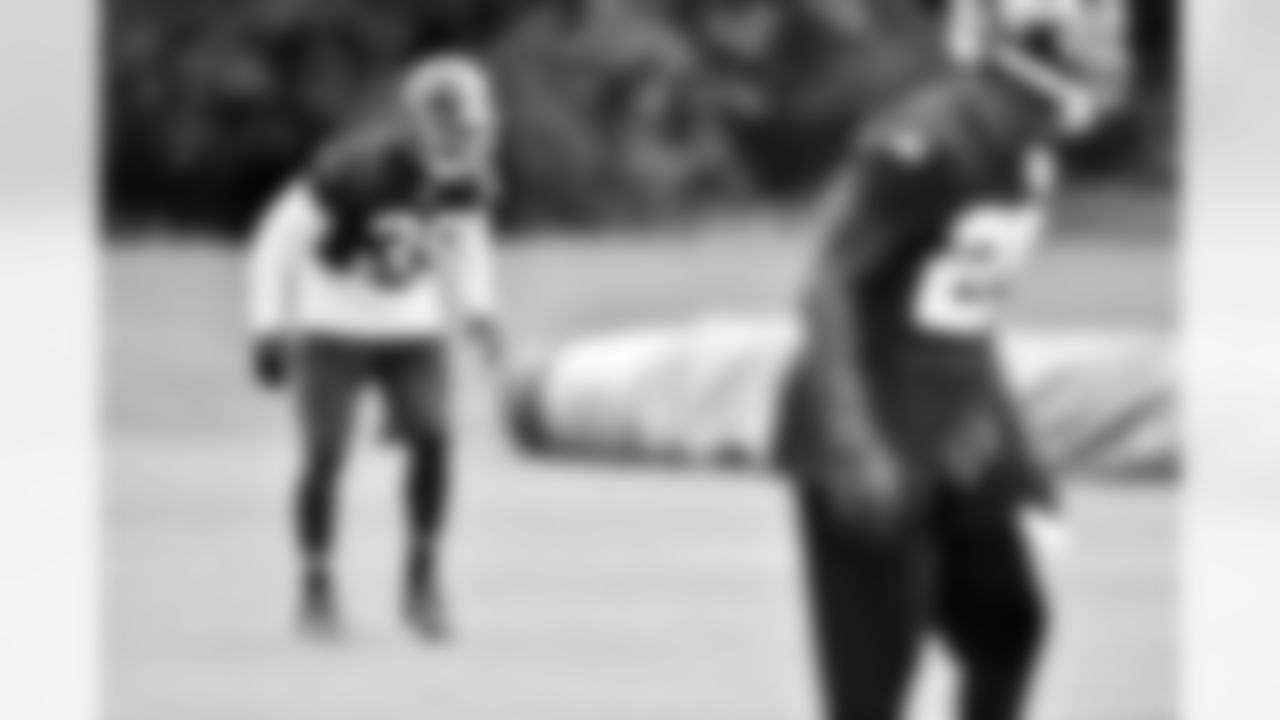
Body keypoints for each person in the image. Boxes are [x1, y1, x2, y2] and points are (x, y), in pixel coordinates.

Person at [776, 0, 1132, 717]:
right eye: (1083, 28)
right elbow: (827, 283)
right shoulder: (929, 142)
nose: (1104, 47)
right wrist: (853, 445)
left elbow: (968, 319)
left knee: (1009, 627)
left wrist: (1019, 456)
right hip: (873, 425)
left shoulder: (1030, 155)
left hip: (957, 430)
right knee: (873, 691)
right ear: (1022, 35)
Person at [245, 52, 503, 641]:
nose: (462, 139)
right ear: (419, 124)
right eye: (451, 126)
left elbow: (470, 240)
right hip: (333, 322)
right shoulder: (353, 169)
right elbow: (277, 239)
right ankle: (316, 586)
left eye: (469, 128)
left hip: (411, 326)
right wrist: (266, 325)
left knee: (435, 438)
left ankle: (422, 580)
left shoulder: (467, 179)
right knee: (325, 455)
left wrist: (481, 309)